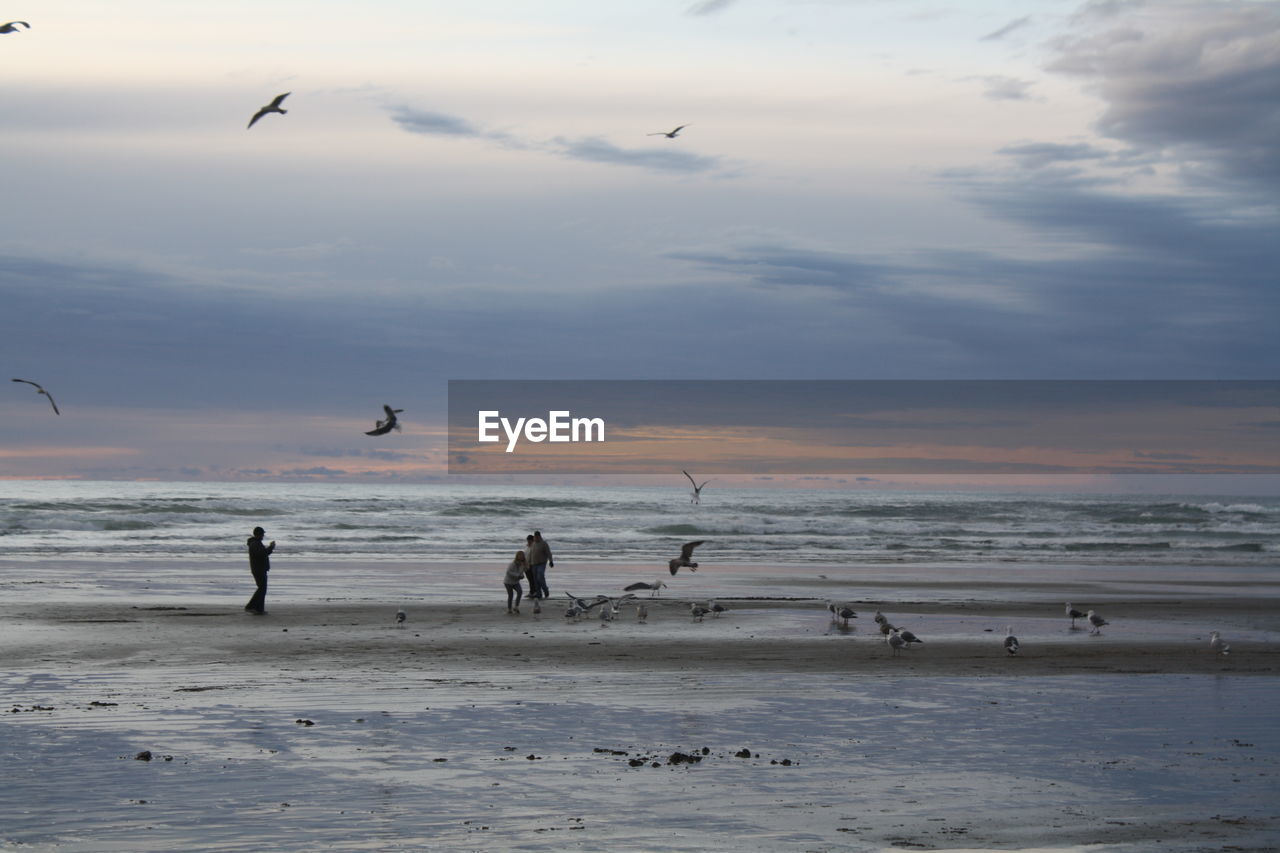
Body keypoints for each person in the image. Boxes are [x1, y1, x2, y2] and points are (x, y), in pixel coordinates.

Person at [245, 526, 275, 614]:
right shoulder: (255, 544)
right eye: (262, 534)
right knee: (262, 588)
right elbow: (261, 554)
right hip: (258, 569)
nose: (263, 536)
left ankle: (259, 609)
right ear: (259, 534)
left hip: (259, 568)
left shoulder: (256, 543)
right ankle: (250, 606)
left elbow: (263, 553)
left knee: (262, 588)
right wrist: (271, 547)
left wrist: (270, 548)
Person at [527, 530, 553, 601]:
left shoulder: (544, 543)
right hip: (533, 564)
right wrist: (528, 563)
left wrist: (551, 561)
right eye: (535, 536)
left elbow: (548, 553)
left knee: (540, 577)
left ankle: (545, 589)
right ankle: (539, 594)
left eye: (538, 536)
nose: (536, 538)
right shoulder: (533, 544)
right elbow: (530, 554)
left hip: (541, 563)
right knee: (535, 580)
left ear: (540, 536)